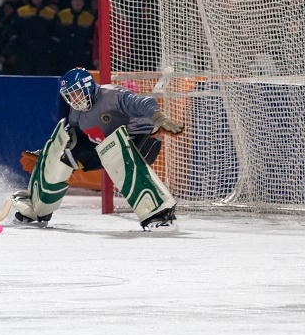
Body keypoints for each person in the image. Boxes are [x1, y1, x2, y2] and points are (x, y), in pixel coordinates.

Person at [12, 67, 184, 231]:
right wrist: (47, 156)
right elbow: (71, 139)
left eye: (77, 92)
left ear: (88, 87)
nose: (74, 99)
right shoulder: (76, 113)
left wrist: (159, 118)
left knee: (118, 152)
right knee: (65, 156)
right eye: (70, 95)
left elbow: (143, 102)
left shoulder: (112, 96)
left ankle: (160, 215)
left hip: (142, 139)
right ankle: (38, 208)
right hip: (108, 146)